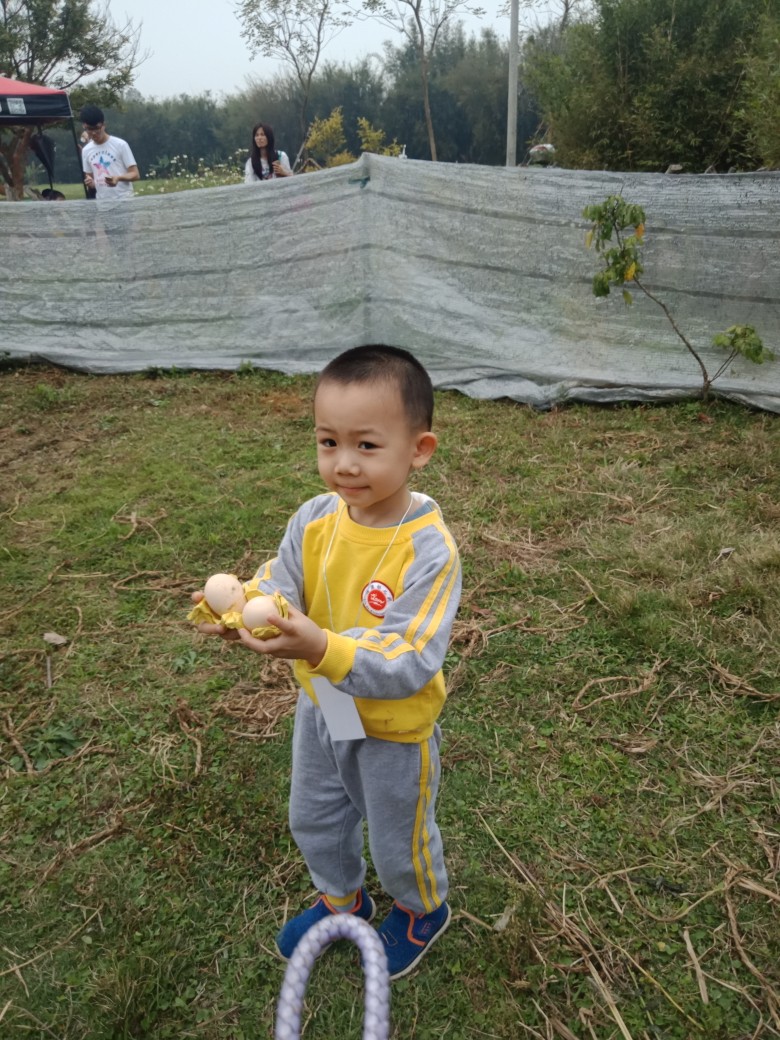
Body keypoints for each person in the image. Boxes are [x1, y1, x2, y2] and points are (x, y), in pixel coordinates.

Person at [192, 345, 461, 980]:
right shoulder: (315, 519)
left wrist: (320, 647)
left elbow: (410, 657)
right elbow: (279, 581)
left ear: (419, 449)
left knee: (397, 835)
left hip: (394, 725)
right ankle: (342, 898)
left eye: (367, 445)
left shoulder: (428, 550)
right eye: (328, 442)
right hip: (329, 702)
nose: (344, 464)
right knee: (316, 813)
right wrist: (243, 606)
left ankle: (422, 908)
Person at [79, 103, 140, 200]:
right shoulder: (86, 150)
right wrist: (91, 183)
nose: (94, 133)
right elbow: (90, 178)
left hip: (124, 200)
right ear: (84, 127)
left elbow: (135, 174)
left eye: (97, 128)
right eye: (90, 129)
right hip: (102, 203)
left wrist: (118, 178)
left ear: (103, 125)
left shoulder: (120, 144)